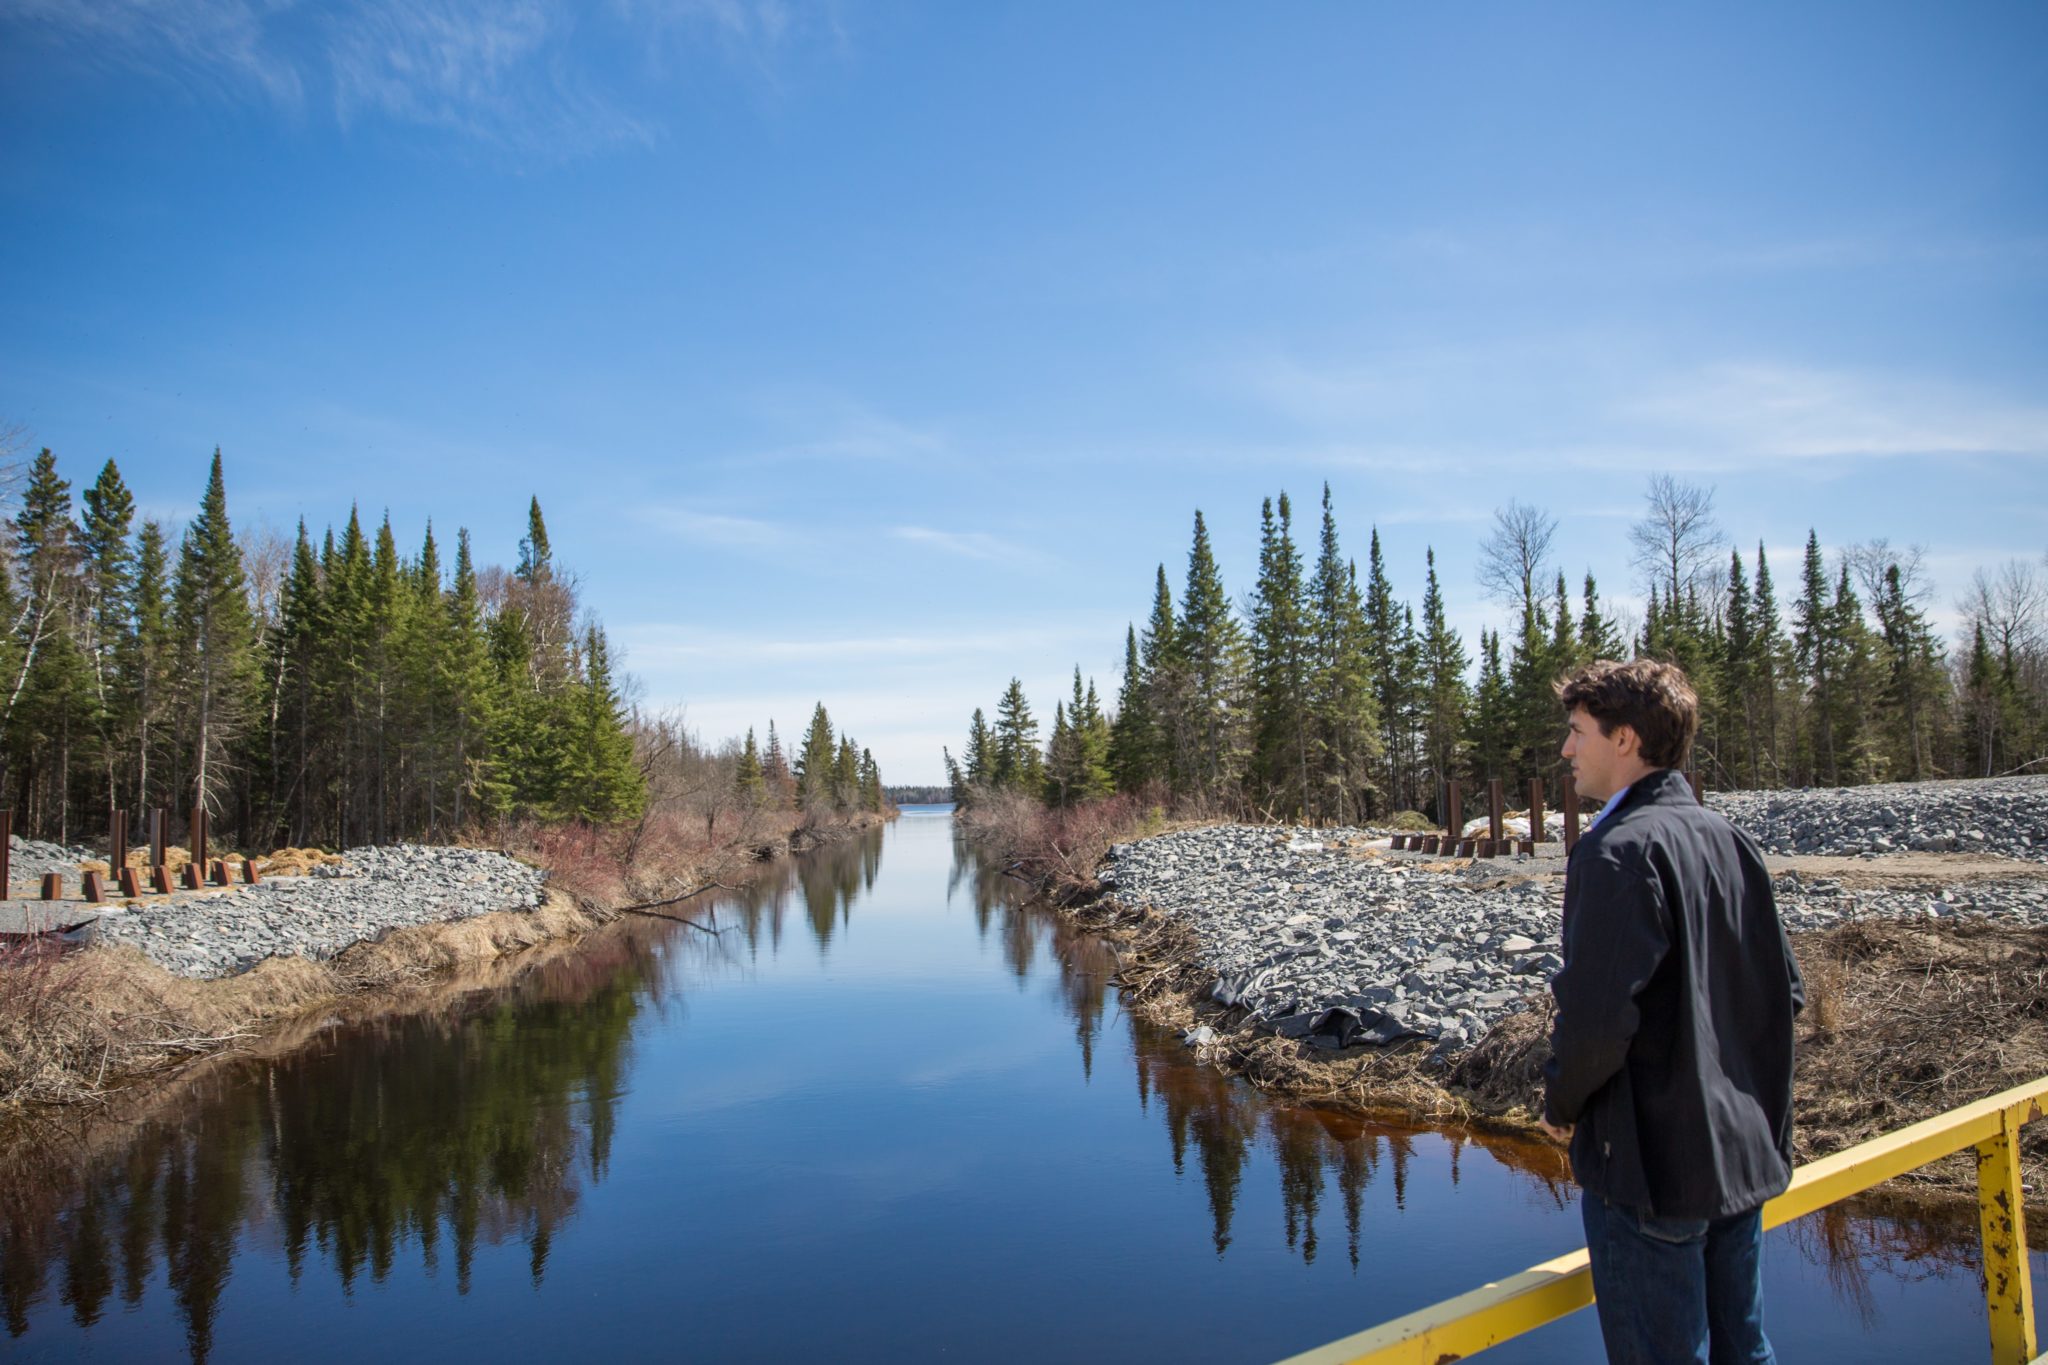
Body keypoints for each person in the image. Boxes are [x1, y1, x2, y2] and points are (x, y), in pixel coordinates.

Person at [1539, 658, 1803, 1365]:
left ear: (1625, 740)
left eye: (1577, 731)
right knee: (1745, 1349)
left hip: (1650, 1172)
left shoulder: (1616, 853)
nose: (1568, 749)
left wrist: (1559, 1102)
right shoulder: (1730, 840)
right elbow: (1789, 991)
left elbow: (1596, 1024)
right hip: (1740, 1159)